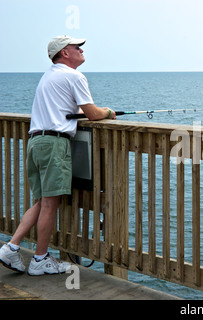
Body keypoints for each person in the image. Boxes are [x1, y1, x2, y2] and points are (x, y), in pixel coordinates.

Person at [0, 35, 117, 275]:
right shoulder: (74, 76)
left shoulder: (48, 76)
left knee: (41, 201)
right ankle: (40, 259)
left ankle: (11, 247)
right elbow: (93, 113)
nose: (81, 50)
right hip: (54, 144)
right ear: (64, 53)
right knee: (50, 204)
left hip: (36, 141)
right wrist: (109, 111)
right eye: (77, 47)